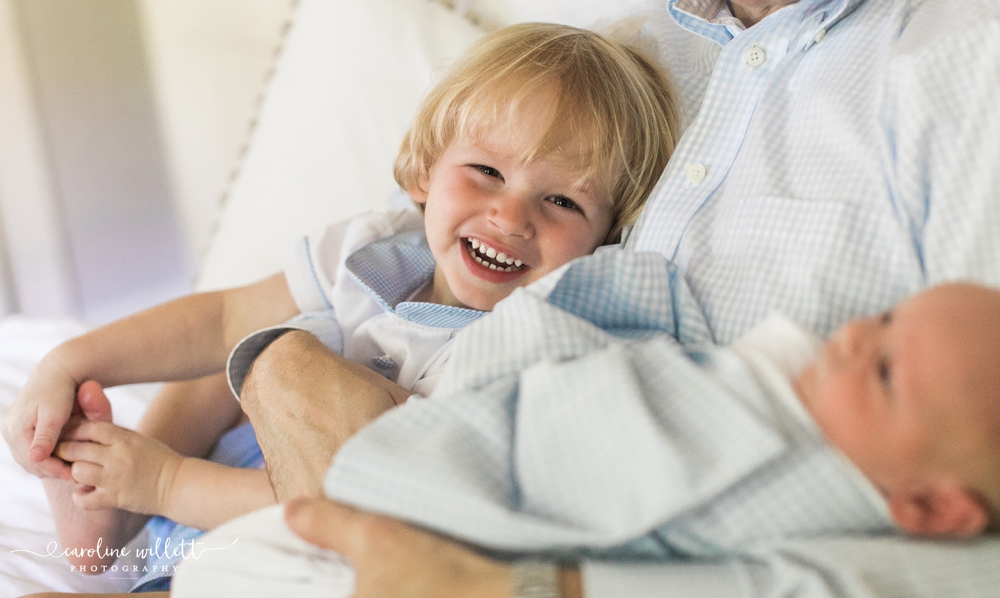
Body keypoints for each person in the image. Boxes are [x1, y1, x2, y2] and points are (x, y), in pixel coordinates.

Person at [166, 0, 1000, 596]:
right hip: (408, 468)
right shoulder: (617, 58)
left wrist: (529, 585)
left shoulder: (975, 54)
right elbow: (403, 253)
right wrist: (283, 361)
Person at [3, 22, 681, 595]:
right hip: (199, 478)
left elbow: (348, 492)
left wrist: (166, 481)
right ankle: (103, 517)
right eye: (487, 173)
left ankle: (128, 503)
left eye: (561, 201)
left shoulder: (514, 349)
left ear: (603, 241)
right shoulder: (374, 252)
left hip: (275, 536)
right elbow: (220, 319)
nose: (510, 216)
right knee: (248, 342)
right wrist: (75, 360)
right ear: (424, 170)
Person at [170, 277, 1000, 597]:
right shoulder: (777, 374)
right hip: (408, 451)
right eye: (883, 316)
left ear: (933, 504)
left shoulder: (832, 507)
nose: (853, 336)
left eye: (887, 371)